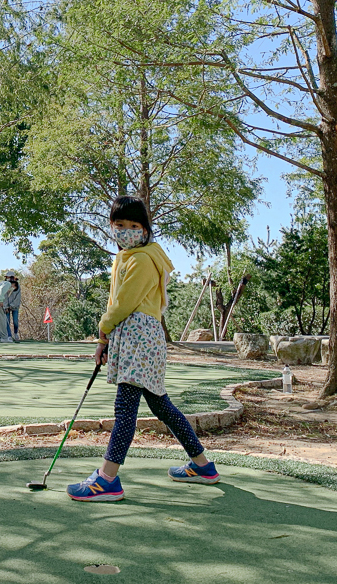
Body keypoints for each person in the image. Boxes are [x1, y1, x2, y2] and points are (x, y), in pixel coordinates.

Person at [67, 195, 219, 502]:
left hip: (139, 337)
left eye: (134, 225)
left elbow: (123, 304)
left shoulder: (141, 259)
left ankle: (107, 479)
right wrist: (104, 341)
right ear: (111, 226)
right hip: (135, 337)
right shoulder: (127, 257)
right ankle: (203, 466)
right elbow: (119, 303)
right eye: (119, 225)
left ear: (145, 228)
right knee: (161, 405)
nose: (126, 231)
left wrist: (103, 328)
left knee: (125, 409)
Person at [5, 276, 22, 342]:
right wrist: (6, 307)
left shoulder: (18, 288)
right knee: (7, 321)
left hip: (15, 307)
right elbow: (4, 298)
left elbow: (17, 299)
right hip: (7, 307)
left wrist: (11, 306)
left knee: (15, 321)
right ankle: (9, 336)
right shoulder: (6, 286)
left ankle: (15, 334)